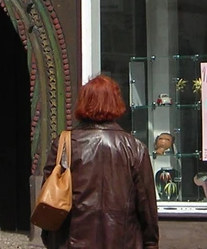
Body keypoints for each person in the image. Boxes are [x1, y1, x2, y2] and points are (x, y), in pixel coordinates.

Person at [41, 75, 158, 249]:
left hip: (70, 242)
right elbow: (146, 208)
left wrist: (50, 238)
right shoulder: (135, 148)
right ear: (116, 103)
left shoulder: (63, 145)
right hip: (122, 241)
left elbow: (48, 199)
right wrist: (151, 243)